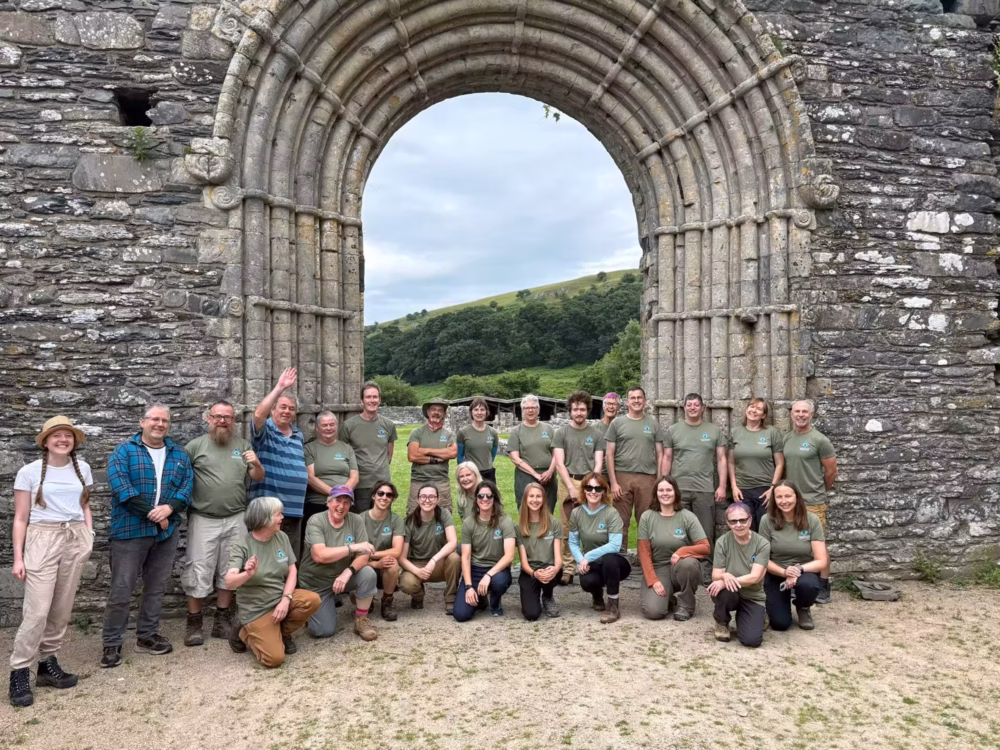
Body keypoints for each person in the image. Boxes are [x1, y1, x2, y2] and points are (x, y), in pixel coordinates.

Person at [9, 416, 94, 707]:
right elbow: (21, 518)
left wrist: (89, 535)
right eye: (56, 435)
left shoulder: (83, 468)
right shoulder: (29, 472)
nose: (62, 440)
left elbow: (85, 505)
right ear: (45, 441)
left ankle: (47, 664)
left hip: (74, 537)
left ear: (74, 441)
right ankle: (20, 670)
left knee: (61, 608)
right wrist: (18, 557)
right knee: (37, 610)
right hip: (42, 539)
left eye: (68, 435)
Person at [102, 403, 192, 669]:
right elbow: (121, 487)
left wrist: (170, 509)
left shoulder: (179, 454)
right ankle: (111, 643)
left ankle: (147, 635)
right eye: (154, 419)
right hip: (130, 530)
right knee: (121, 588)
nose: (159, 424)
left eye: (164, 420)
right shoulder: (124, 451)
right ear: (142, 422)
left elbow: (187, 487)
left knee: (156, 586)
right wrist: (156, 514)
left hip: (166, 532)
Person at [182, 400, 265, 647]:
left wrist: (256, 463)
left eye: (227, 417)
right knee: (198, 569)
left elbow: (258, 477)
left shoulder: (243, 445)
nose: (222, 421)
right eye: (217, 416)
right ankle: (194, 623)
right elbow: (179, 477)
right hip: (203, 518)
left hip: (236, 518)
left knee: (231, 568)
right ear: (209, 418)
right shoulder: (194, 447)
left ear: (233, 421)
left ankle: (221, 619)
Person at [225, 497, 320, 668]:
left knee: (312, 600)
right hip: (257, 609)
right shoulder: (242, 546)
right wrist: (247, 574)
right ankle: (243, 632)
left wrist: (286, 599)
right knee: (274, 659)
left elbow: (292, 570)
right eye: (278, 514)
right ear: (264, 519)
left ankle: (280, 633)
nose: (282, 517)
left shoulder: (281, 537)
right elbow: (229, 582)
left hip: (280, 599)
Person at [297, 485, 378, 641]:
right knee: (323, 630)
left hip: (342, 577)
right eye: (337, 500)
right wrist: (352, 547)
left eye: (346, 502)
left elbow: (364, 555)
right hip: (316, 582)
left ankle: (361, 620)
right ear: (328, 502)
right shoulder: (316, 521)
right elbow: (319, 555)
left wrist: (348, 571)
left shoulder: (356, 520)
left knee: (368, 573)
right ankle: (309, 609)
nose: (341, 506)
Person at [665, 392, 728, 585]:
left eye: (696, 405)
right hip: (679, 489)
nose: (692, 408)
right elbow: (667, 458)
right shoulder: (673, 430)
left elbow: (721, 459)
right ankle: (678, 568)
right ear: (684, 407)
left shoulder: (714, 430)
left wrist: (722, 486)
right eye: (689, 404)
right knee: (678, 531)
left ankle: (706, 570)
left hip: (704, 489)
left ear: (703, 408)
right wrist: (664, 484)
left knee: (705, 531)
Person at [249, 367, 308, 557]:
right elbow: (258, 415)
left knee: (289, 559)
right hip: (268, 510)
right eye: (282, 407)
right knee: (264, 558)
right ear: (273, 409)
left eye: (291, 409)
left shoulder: (299, 435)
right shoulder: (265, 431)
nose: (287, 411)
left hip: (294, 510)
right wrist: (280, 387)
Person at [782, 399, 837, 603]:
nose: (800, 415)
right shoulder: (786, 439)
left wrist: (820, 489)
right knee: (797, 543)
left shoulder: (820, 440)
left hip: (813, 501)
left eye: (804, 411)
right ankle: (798, 583)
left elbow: (831, 471)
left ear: (811, 414)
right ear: (791, 414)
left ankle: (823, 586)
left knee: (817, 545)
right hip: (791, 502)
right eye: (797, 411)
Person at [637, 476, 709, 622]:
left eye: (669, 490)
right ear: (656, 493)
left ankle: (686, 605)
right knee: (653, 612)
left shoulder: (687, 517)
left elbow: (705, 547)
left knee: (689, 564)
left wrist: (682, 552)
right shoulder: (647, 517)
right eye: (661, 490)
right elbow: (644, 553)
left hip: (680, 566)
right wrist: (653, 581)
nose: (665, 493)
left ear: (675, 492)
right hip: (658, 568)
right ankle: (668, 599)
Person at [759, 481, 828, 631]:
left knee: (809, 585)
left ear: (797, 496)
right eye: (779, 497)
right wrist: (785, 572)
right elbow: (762, 558)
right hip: (777, 572)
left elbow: (821, 561)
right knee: (780, 624)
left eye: (788, 496)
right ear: (774, 499)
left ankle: (803, 607)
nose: (784, 501)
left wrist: (798, 570)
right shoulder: (766, 520)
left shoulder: (811, 520)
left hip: (804, 570)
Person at [604, 385, 665, 551]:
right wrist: (613, 483)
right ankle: (619, 555)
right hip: (622, 477)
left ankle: (644, 555)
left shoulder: (653, 423)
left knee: (646, 519)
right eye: (633, 398)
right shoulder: (617, 423)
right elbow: (609, 453)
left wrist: (659, 480)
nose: (636, 401)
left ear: (645, 401)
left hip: (647, 477)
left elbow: (660, 454)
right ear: (627, 402)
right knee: (619, 520)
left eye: (639, 398)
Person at [553, 390, 604, 585]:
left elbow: (598, 462)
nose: (579, 413)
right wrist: (571, 487)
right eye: (575, 409)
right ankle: (568, 568)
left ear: (588, 410)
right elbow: (559, 463)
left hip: (590, 482)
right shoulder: (561, 433)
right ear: (570, 410)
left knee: (592, 525)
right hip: (568, 480)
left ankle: (591, 563)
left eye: (582, 409)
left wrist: (592, 483)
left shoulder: (596, 434)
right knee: (567, 526)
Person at [569, 472, 631, 624]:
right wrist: (580, 560)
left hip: (616, 562)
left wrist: (587, 556)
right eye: (589, 487)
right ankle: (597, 595)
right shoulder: (576, 513)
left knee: (609, 559)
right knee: (587, 581)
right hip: (592, 563)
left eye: (598, 488)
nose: (593, 492)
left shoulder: (611, 513)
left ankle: (613, 606)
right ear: (583, 490)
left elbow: (615, 545)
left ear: (604, 491)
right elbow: (573, 543)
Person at [708, 502, 770, 647]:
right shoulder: (722, 542)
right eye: (733, 521)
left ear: (750, 520)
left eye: (742, 520)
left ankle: (759, 615)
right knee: (720, 590)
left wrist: (725, 580)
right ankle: (722, 621)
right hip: (731, 593)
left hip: (752, 595)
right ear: (728, 523)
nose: (738, 525)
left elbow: (755, 577)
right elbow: (716, 575)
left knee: (751, 641)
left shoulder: (762, 544)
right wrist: (724, 577)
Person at [454, 480, 516, 621]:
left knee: (499, 582)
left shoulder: (505, 521)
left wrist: (488, 575)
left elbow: (509, 556)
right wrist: (468, 587)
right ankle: (480, 599)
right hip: (475, 569)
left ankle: (495, 602)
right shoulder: (469, 522)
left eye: (489, 496)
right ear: (476, 499)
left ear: (495, 499)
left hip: (497, 569)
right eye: (481, 496)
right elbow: (466, 557)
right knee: (461, 615)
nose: (485, 499)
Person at [398, 484, 461, 614]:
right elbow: (401, 558)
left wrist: (433, 560)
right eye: (423, 496)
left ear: (437, 499)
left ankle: (450, 598)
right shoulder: (409, 522)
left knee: (454, 558)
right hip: (417, 564)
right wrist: (417, 571)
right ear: (417, 499)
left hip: (439, 562)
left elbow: (453, 542)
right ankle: (418, 595)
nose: (427, 500)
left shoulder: (444, 514)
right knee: (407, 584)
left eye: (432, 496)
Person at [727, 398, 784, 531]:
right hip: (742, 490)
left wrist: (773, 489)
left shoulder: (771, 432)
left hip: (765, 490)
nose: (754, 410)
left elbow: (780, 463)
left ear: (763, 415)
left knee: (766, 529)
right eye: (752, 407)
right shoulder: (735, 432)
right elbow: (730, 462)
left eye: (759, 409)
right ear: (746, 410)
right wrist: (734, 487)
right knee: (745, 529)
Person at [341, 381, 398, 513]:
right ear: (362, 401)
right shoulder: (349, 426)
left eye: (375, 397)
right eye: (368, 397)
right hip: (360, 485)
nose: (372, 400)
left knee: (383, 521)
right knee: (361, 522)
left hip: (383, 484)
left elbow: (389, 455)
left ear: (379, 400)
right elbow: (344, 456)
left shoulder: (388, 425)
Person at [516, 483, 563, 620]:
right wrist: (534, 573)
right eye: (531, 496)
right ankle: (534, 594)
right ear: (525, 499)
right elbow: (524, 562)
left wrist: (555, 569)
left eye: (538, 496)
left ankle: (547, 596)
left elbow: (558, 558)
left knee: (551, 574)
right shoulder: (519, 527)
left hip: (550, 568)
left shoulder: (554, 523)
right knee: (531, 614)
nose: (535, 500)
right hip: (530, 571)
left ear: (544, 499)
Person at [304, 411, 358, 529]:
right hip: (318, 502)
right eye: (324, 425)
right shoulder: (309, 448)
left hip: (345, 502)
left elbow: (354, 476)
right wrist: (336, 494)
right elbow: (310, 478)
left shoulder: (347, 448)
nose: (329, 428)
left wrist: (343, 495)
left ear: (337, 426)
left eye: (332, 424)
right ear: (317, 428)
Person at [361, 480, 405, 621]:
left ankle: (387, 602)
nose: (384, 497)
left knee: (392, 563)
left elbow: (397, 551)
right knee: (355, 599)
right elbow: (355, 553)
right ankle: (367, 598)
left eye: (389, 495)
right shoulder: (360, 519)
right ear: (373, 496)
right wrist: (374, 562)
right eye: (380, 493)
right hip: (364, 563)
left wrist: (373, 555)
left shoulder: (396, 520)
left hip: (383, 563)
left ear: (392, 499)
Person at [507, 394, 557, 511]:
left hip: (548, 476)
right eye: (527, 408)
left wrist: (550, 471)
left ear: (538, 409)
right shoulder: (516, 431)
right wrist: (535, 474)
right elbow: (515, 458)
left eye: (533, 407)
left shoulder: (549, 429)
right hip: (526, 476)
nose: (530, 410)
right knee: (527, 510)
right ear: (522, 410)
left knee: (547, 509)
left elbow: (557, 453)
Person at [407, 398, 457, 512]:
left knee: (443, 513)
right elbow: (412, 456)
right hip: (419, 480)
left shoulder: (449, 435)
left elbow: (452, 453)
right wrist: (437, 458)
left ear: (444, 414)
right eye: (433, 409)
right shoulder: (417, 432)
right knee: (414, 513)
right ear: (428, 412)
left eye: (440, 410)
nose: (436, 412)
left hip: (441, 480)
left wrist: (425, 450)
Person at [457, 397, 498, 481]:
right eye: (476, 410)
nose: (479, 413)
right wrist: (465, 471)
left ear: (486, 412)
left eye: (482, 410)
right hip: (471, 473)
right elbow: (459, 457)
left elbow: (493, 454)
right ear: (471, 412)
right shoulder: (463, 432)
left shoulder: (493, 432)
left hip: (488, 474)